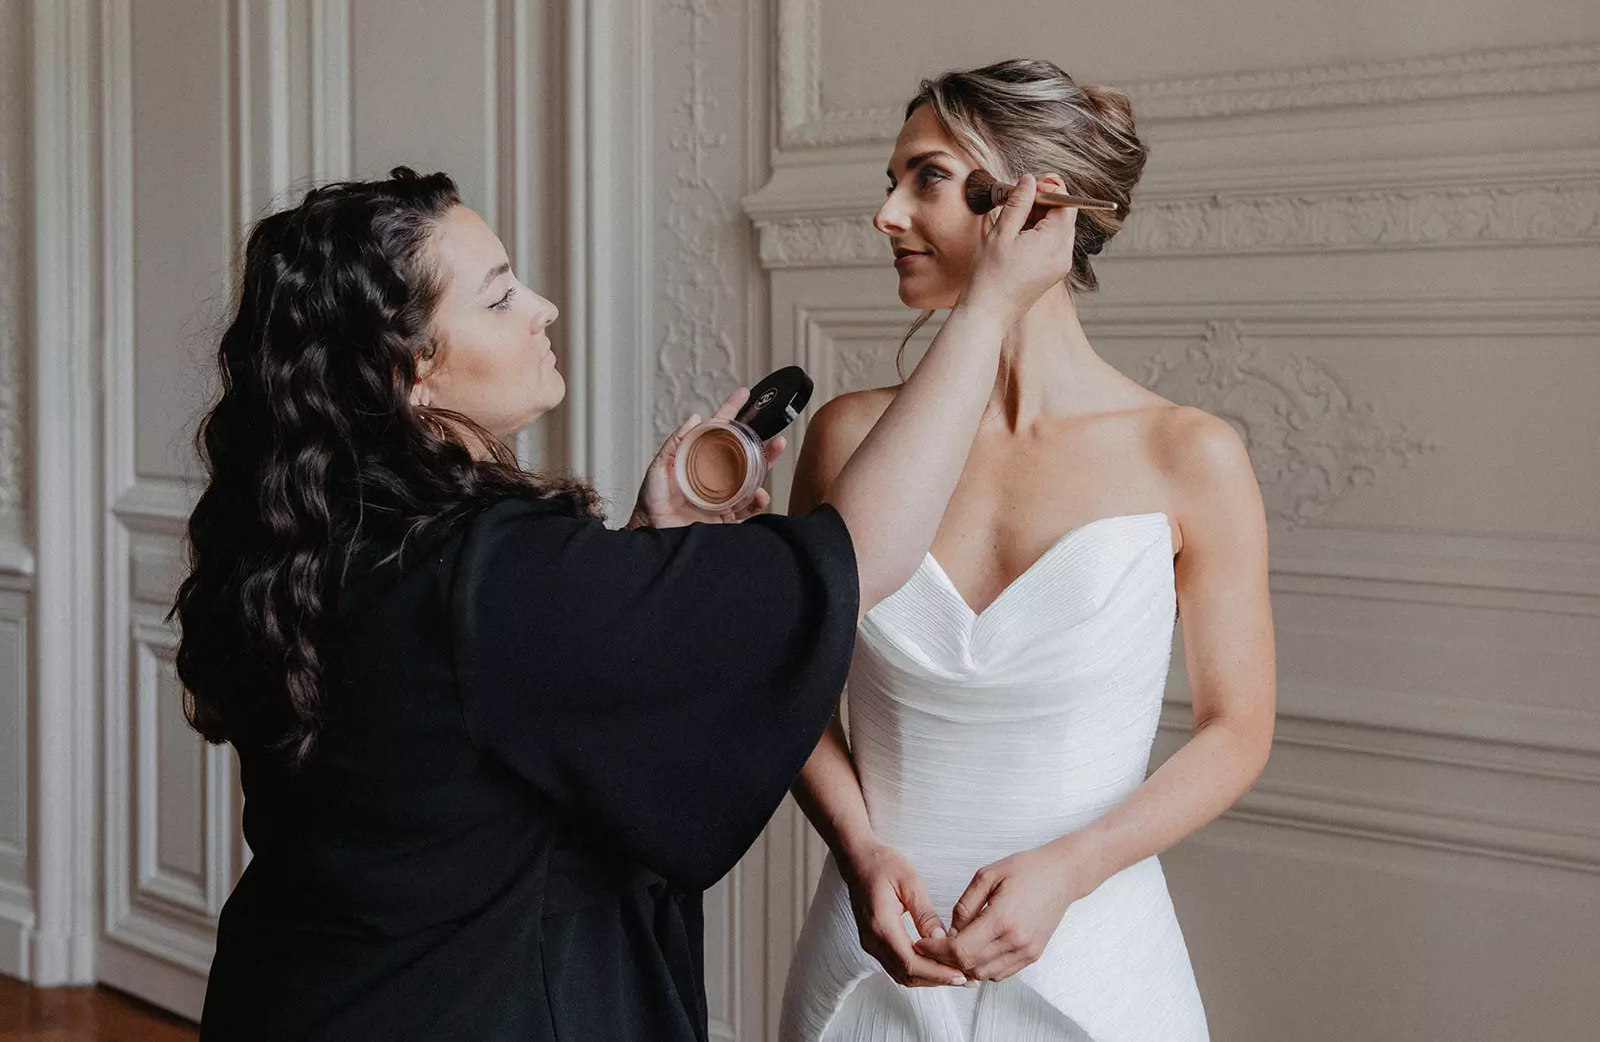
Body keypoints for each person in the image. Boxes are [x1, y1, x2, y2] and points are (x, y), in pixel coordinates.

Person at [176, 165, 1076, 1040]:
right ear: (413, 370)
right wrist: (988, 306)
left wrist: (652, 538)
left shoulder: (318, 532)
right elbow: (859, 559)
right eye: (498, 298)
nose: (543, 309)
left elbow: (503, 697)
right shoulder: (490, 571)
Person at [780, 60, 1277, 1042]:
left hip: (1097, 958)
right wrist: (860, 852)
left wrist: (1073, 866)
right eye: (893, 181)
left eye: (922, 176)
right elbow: (789, 687)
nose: (885, 214)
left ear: (1038, 199)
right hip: (874, 953)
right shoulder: (846, 440)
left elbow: (1236, 728)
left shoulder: (1187, 454)